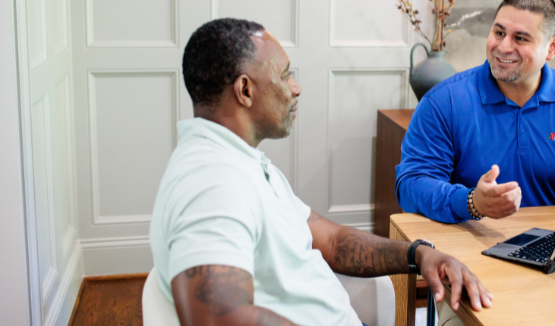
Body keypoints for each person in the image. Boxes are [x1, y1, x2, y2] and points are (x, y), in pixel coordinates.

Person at [149, 18, 492, 326]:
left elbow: (333, 241)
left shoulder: (244, 164)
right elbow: (216, 317)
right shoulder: (212, 183)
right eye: (284, 75)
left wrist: (418, 254)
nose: (295, 87)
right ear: (245, 90)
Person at [396, 0, 555, 324]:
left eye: (520, 38)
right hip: (469, 263)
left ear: (552, 48)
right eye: (499, 32)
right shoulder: (444, 102)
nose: (503, 46)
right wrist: (471, 202)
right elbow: (410, 185)